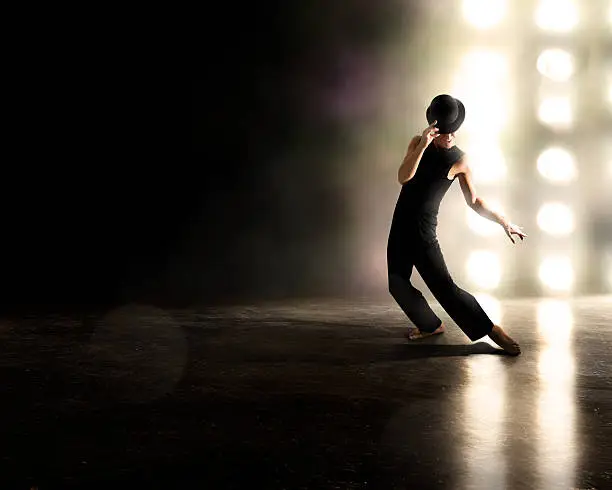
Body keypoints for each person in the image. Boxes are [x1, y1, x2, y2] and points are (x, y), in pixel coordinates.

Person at [387, 94, 526, 355]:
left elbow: (474, 201)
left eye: (453, 131)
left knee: (446, 290)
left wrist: (504, 221)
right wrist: (423, 145)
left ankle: (491, 330)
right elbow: (403, 177)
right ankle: (430, 325)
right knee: (397, 283)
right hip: (400, 226)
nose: (450, 137)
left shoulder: (459, 160)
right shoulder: (418, 143)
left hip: (423, 233)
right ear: (433, 128)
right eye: (443, 132)